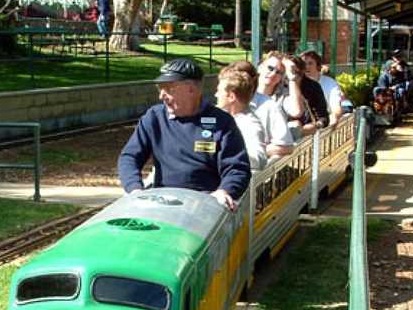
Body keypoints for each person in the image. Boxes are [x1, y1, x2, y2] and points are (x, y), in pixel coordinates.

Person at [118, 58, 251, 211]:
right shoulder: (154, 117)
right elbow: (129, 157)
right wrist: (135, 189)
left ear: (191, 90)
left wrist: (224, 191)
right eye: (159, 88)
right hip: (162, 201)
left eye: (168, 88)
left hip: (205, 204)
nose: (161, 95)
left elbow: (237, 168)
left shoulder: (222, 122)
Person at [220, 60, 293, 159]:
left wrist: (248, 152)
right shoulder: (218, 109)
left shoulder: (269, 106)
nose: (217, 94)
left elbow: (286, 146)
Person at [215, 69, 267, 171]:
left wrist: (221, 154)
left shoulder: (249, 124)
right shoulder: (215, 116)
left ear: (231, 97)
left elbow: (259, 159)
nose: (215, 94)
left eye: (219, 91)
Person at [300, 50, 344, 126]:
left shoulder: (330, 83)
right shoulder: (297, 83)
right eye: (303, 64)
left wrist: (334, 116)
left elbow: (336, 106)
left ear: (318, 65)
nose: (306, 67)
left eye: (310, 63)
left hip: (323, 125)